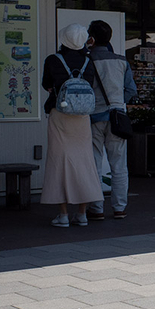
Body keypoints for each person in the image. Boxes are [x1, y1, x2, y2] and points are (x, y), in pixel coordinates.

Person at [41, 24, 103, 227]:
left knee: (59, 161)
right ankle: (83, 213)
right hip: (82, 116)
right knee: (84, 162)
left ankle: (63, 215)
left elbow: (46, 84)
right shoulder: (88, 61)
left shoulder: (53, 60)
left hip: (60, 113)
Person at [85, 20, 137, 221]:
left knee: (95, 164)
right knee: (119, 166)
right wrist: (117, 104)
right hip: (117, 118)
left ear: (91, 38)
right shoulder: (121, 61)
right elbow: (131, 90)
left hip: (93, 117)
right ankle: (120, 208)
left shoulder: (87, 60)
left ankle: (96, 208)